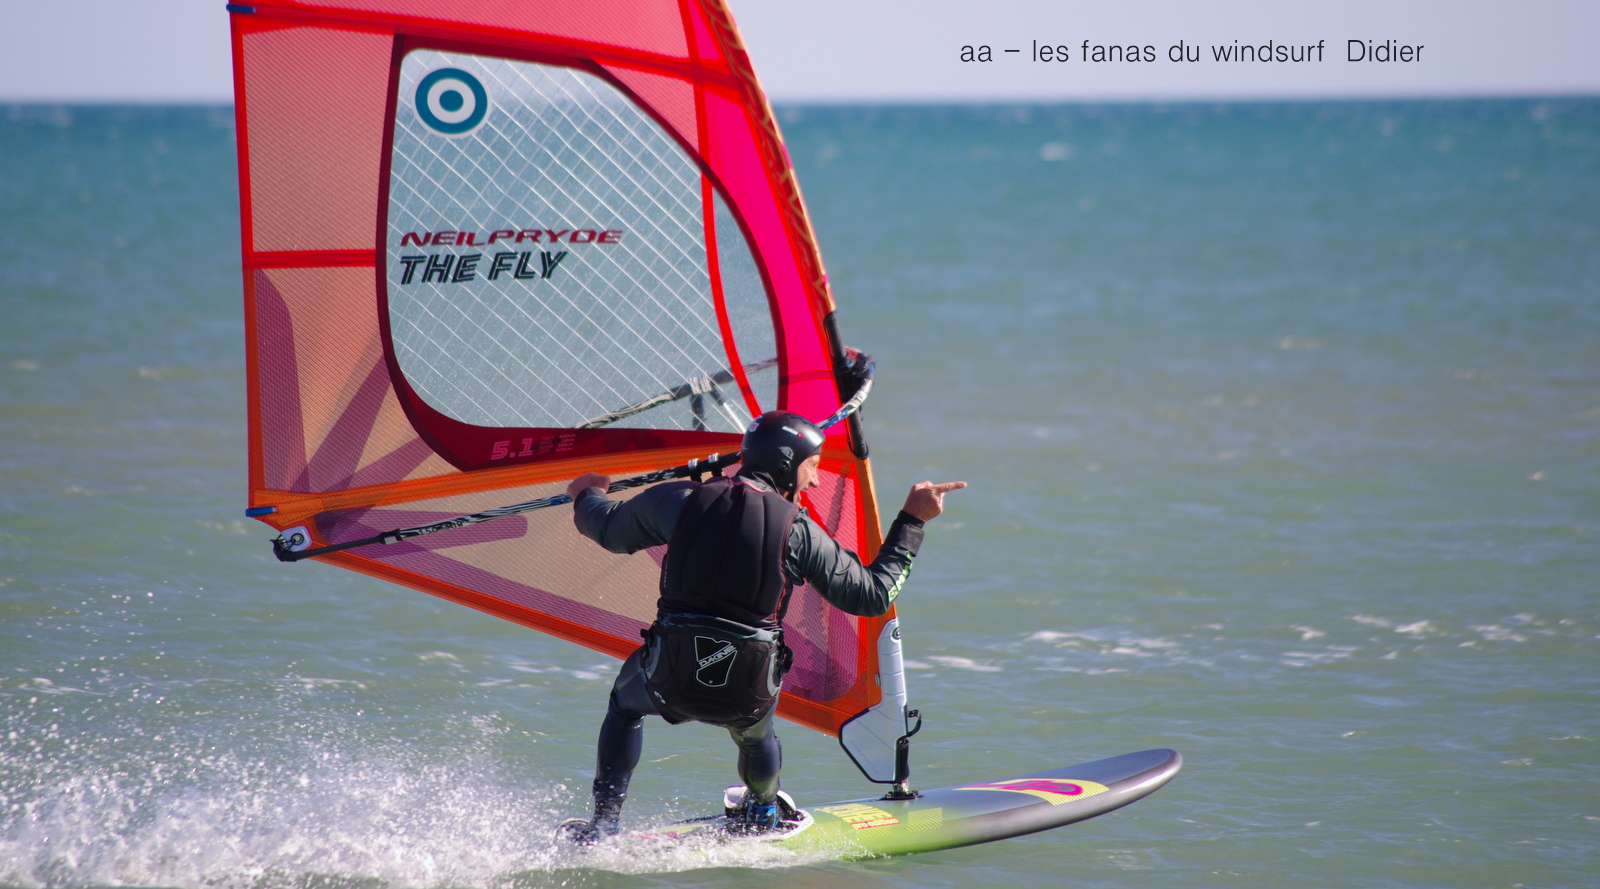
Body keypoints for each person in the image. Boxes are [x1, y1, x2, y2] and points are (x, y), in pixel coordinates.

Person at [560, 410, 965, 842]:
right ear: (787, 465)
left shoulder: (680, 500)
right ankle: (763, 813)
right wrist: (912, 522)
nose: (816, 481)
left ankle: (603, 825)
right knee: (757, 736)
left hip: (668, 676)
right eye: (813, 466)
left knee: (625, 705)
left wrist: (587, 494)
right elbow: (874, 595)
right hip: (746, 691)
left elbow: (606, 527)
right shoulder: (799, 532)